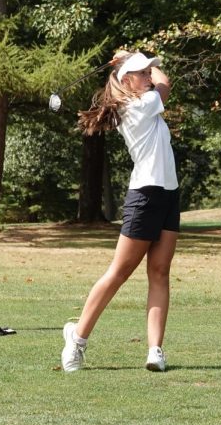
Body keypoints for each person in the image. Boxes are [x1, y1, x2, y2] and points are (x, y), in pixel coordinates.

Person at [61, 50, 180, 373]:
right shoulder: (138, 106)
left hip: (169, 195)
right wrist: (135, 57)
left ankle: (155, 350)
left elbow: (158, 82)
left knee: (159, 272)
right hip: (145, 196)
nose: (149, 76)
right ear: (127, 80)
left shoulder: (146, 106)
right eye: (142, 73)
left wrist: (135, 59)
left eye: (148, 72)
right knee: (119, 272)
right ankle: (77, 339)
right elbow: (165, 82)